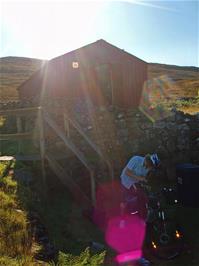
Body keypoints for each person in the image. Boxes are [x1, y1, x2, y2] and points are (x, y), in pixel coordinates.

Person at [120, 154, 160, 219]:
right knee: (128, 201)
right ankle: (125, 217)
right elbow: (127, 172)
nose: (150, 169)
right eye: (151, 166)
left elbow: (141, 178)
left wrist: (144, 184)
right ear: (148, 161)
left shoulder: (148, 168)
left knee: (141, 198)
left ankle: (141, 216)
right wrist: (140, 178)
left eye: (152, 167)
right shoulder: (135, 159)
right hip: (125, 181)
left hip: (135, 183)